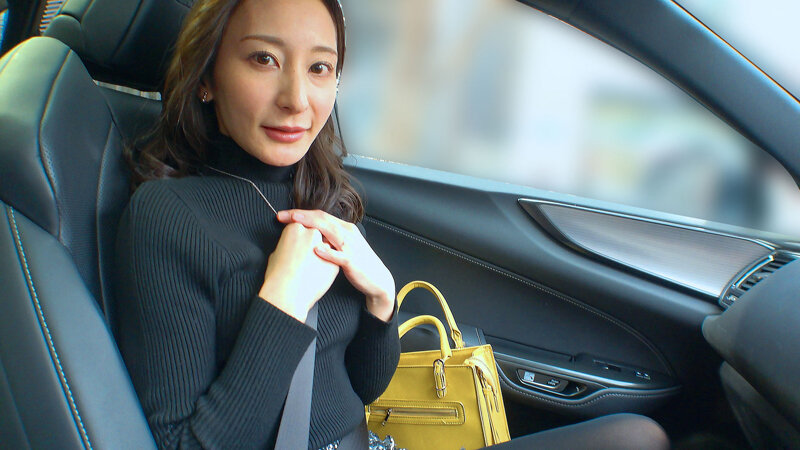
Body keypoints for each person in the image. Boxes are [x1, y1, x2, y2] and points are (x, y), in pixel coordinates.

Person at [113, 0, 401, 448]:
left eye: (319, 67)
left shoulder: (326, 197)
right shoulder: (168, 216)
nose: (296, 99)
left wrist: (382, 299)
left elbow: (361, 388)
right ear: (206, 77)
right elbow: (182, 443)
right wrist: (284, 299)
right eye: (264, 59)